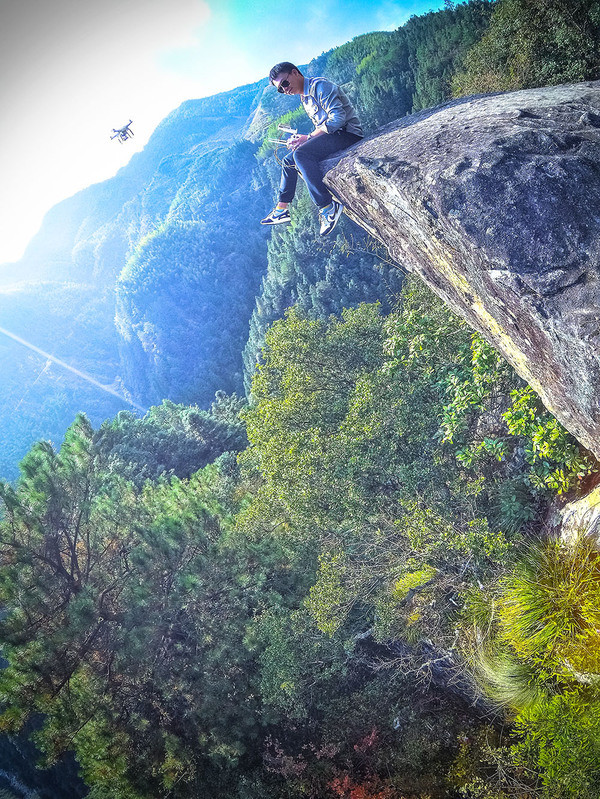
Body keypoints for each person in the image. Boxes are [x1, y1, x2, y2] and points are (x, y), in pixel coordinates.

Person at [261, 62, 363, 236]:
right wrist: (304, 139)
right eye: (280, 89)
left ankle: (327, 207)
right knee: (288, 161)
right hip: (333, 135)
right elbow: (322, 127)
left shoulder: (320, 86)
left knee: (301, 155)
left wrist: (307, 138)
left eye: (284, 84)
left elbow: (338, 118)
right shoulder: (305, 97)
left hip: (348, 134)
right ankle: (281, 208)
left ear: (295, 73)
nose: (284, 90)